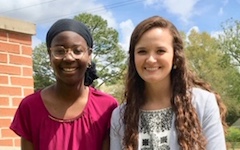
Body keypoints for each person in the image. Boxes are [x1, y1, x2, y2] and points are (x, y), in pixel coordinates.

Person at [110, 16, 227, 150]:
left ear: (176, 57)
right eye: (142, 51)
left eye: (160, 51)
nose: (151, 59)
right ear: (133, 58)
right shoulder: (120, 116)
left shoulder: (204, 103)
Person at [10, 18, 118, 150]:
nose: (68, 58)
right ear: (50, 55)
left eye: (77, 51)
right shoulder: (30, 107)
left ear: (89, 56)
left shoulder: (107, 107)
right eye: (60, 51)